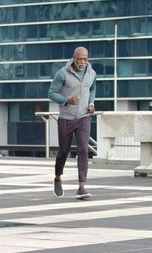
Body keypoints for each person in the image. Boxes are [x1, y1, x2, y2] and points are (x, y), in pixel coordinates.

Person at [48, 46, 96, 199]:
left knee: (83, 150)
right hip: (66, 119)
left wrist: (91, 103)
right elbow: (51, 93)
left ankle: (81, 186)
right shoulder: (62, 73)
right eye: (79, 59)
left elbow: (92, 88)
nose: (82, 62)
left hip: (83, 118)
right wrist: (66, 100)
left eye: (85, 59)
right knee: (63, 151)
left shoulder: (92, 73)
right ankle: (57, 177)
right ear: (74, 58)